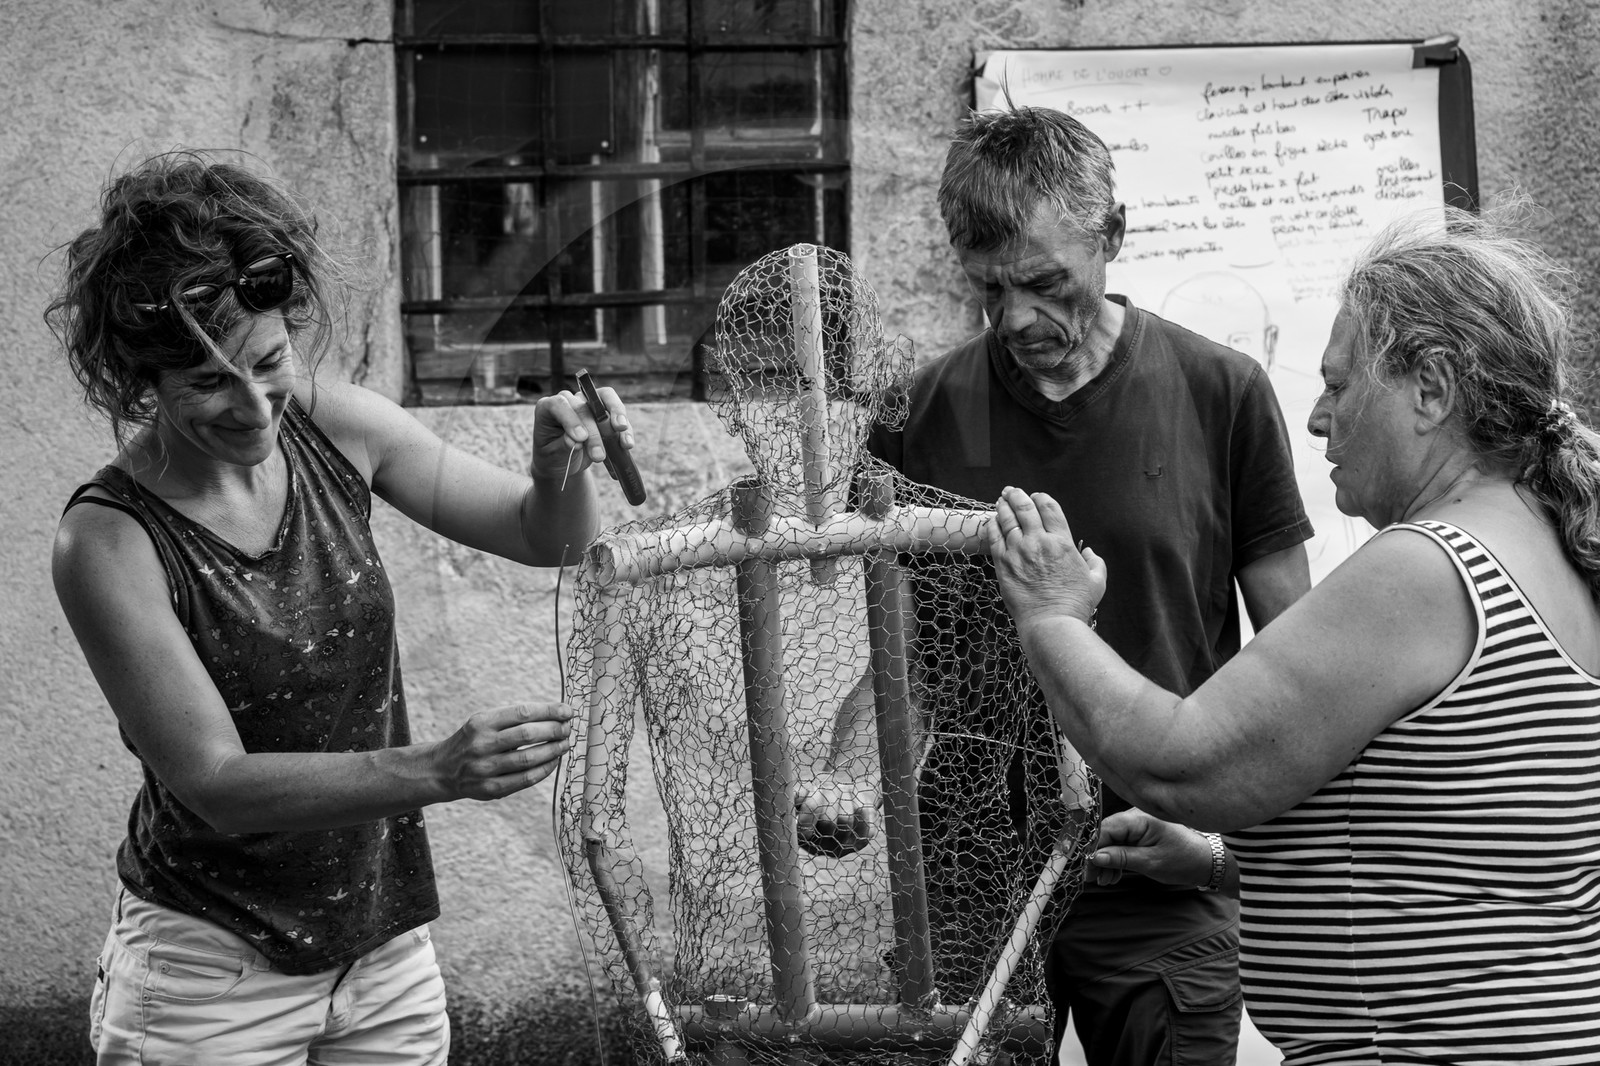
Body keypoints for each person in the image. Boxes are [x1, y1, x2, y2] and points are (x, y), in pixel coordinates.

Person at [46, 151, 634, 1064]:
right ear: (140, 383)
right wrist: (438, 770)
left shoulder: (339, 425)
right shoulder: (107, 541)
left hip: (382, 950)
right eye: (206, 383)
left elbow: (543, 536)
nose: (254, 409)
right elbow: (217, 785)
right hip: (209, 972)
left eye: (267, 361)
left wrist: (555, 471)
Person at [987, 205, 1600, 1063]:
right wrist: (1210, 860)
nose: (1319, 418)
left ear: (1432, 387)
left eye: (1342, 385)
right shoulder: (1553, 546)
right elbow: (1450, 866)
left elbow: (1183, 761)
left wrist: (1052, 613)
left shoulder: (1428, 569)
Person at [797, 105, 1314, 1063]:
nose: (1018, 320)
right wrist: (846, 779)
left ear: (1112, 236)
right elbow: (901, 652)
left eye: (1045, 282)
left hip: (1159, 870)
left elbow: (1297, 664)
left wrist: (1230, 852)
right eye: (988, 290)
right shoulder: (922, 411)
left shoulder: (1222, 392)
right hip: (971, 880)